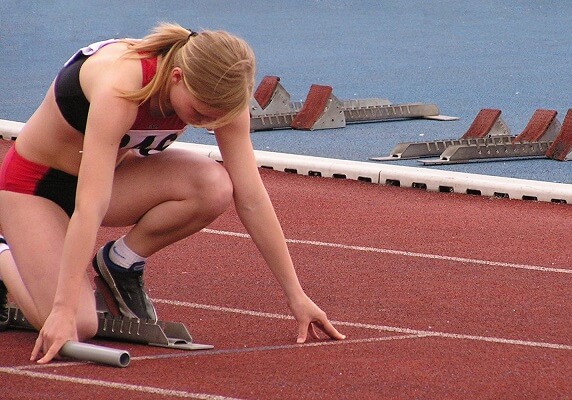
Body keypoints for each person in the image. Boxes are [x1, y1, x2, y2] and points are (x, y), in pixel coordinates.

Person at [0, 22, 345, 364]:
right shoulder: (121, 84)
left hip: (108, 179)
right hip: (34, 187)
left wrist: (295, 295)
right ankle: (4, 253)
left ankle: (120, 262)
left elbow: (251, 197)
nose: (209, 123)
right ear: (177, 77)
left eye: (216, 117)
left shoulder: (223, 95)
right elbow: (90, 204)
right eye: (199, 113)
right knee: (77, 323)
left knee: (213, 185)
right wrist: (60, 309)